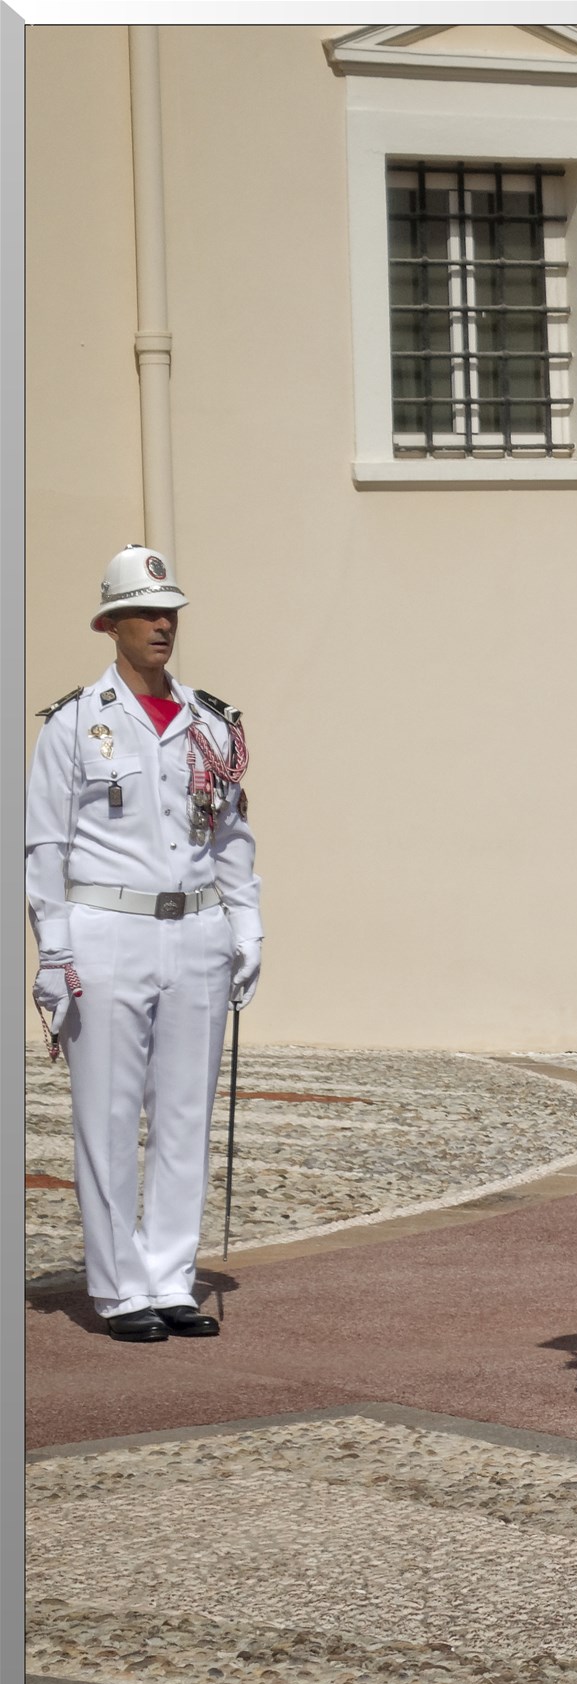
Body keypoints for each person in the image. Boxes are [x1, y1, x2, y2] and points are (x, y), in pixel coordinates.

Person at [26, 545, 260, 1341]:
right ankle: (120, 1288)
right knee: (108, 1112)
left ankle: (170, 1279)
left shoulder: (209, 720)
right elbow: (45, 848)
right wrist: (52, 952)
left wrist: (246, 924)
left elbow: (232, 832)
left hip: (195, 928)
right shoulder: (72, 723)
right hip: (106, 929)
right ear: (111, 623)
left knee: (186, 1112)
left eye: (171, 613)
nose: (162, 625)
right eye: (146, 613)